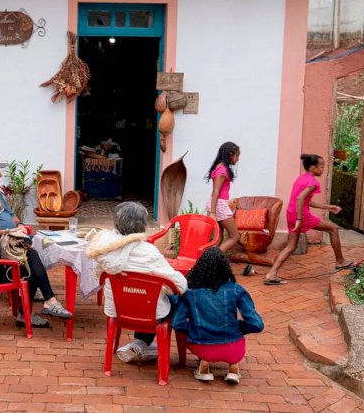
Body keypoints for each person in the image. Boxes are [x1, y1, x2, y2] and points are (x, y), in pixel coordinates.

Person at [0, 175, 72, 328]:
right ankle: (34, 310)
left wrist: (12, 231)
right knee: (32, 269)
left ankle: (48, 302)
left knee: (30, 254)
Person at [86, 201, 187, 362]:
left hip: (118, 308)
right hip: (148, 310)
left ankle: (141, 344)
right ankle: (171, 350)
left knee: (145, 295)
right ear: (143, 225)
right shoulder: (149, 252)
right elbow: (179, 286)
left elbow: (97, 276)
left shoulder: (104, 249)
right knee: (179, 298)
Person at [172, 248, 264, 384]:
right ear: (225, 267)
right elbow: (257, 324)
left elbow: (177, 323)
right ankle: (233, 367)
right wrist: (238, 327)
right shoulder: (236, 289)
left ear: (199, 266)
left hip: (201, 346)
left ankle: (204, 364)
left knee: (198, 342)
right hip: (233, 348)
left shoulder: (190, 292)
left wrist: (194, 330)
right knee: (234, 350)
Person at [264, 154, 354, 285]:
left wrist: (328, 207)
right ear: (313, 168)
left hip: (291, 213)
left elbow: (307, 201)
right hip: (301, 216)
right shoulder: (312, 182)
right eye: (321, 166)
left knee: (291, 246)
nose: (323, 169)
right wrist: (300, 219)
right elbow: (300, 199)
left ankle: (271, 274)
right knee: (333, 228)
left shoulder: (302, 178)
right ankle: (340, 261)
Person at [205, 142, 241, 253]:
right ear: (230, 154)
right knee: (234, 236)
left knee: (218, 238)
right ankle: (215, 259)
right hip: (218, 205)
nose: (237, 159)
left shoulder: (219, 167)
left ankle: (209, 263)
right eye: (237, 155)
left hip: (217, 204)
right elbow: (216, 191)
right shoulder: (222, 170)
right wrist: (213, 213)